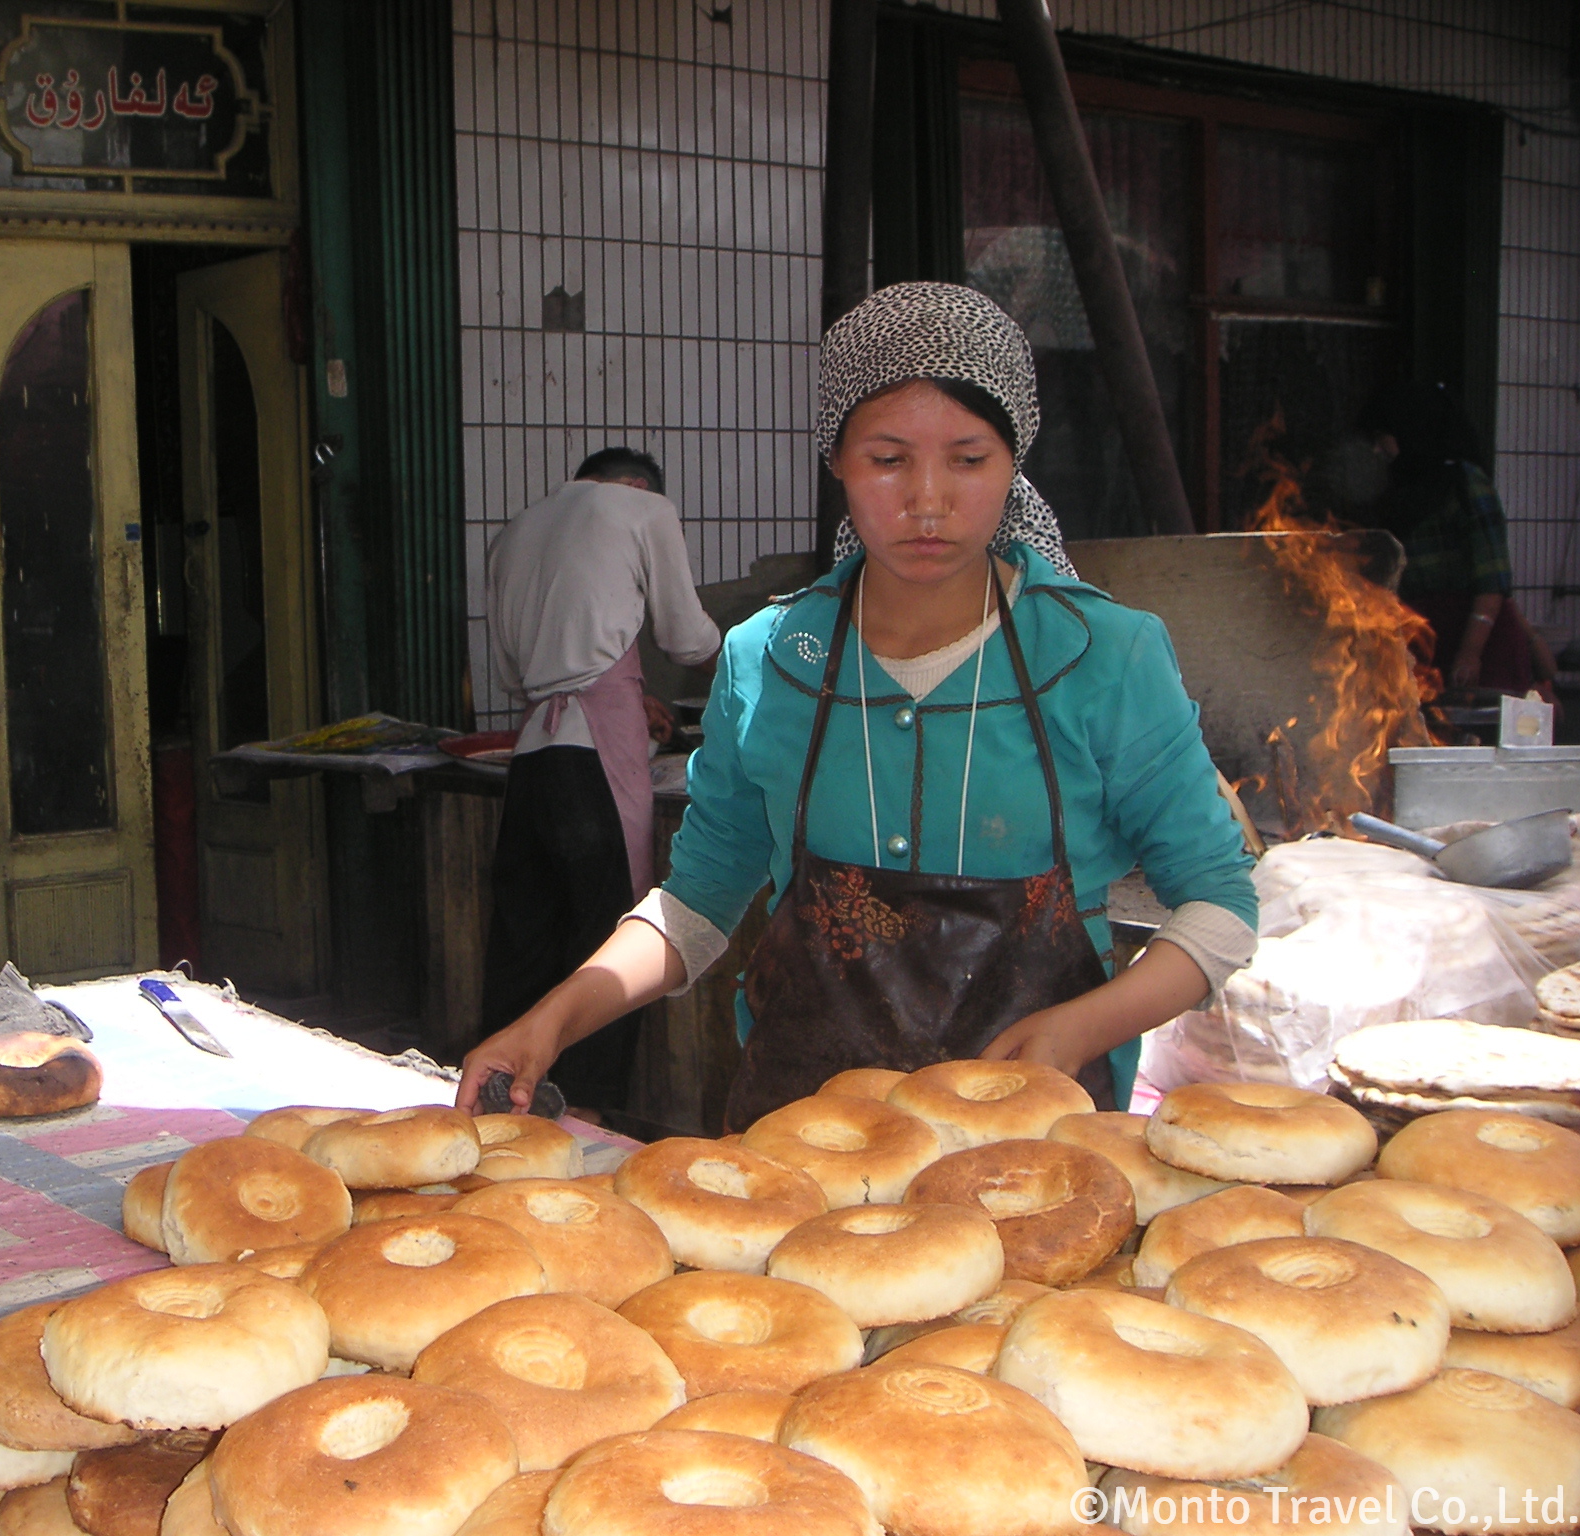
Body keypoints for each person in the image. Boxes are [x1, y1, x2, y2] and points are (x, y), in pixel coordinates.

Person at [460, 283, 1258, 1128]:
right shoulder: (766, 661)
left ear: (1014, 459)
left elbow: (1221, 903)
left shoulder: (1104, 656)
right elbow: (696, 905)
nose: (927, 499)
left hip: (1041, 1159)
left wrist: (1077, 1030)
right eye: (887, 459)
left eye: (968, 458)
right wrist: (553, 1017)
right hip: (806, 1157)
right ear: (835, 459)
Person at [479, 447, 722, 1113]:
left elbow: (511, 675)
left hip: (534, 760)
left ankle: (497, 1108)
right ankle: (588, 1118)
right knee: (609, 949)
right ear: (642, 486)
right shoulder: (644, 509)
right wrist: (749, 674)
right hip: (594, 763)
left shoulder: (515, 531)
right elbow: (686, 636)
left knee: (523, 946)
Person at [1355, 381, 1551, 698]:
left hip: (1479, 641)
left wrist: (1470, 653)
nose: (1378, 449)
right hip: (1421, 640)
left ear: (1410, 431)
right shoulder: (1394, 491)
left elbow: (1492, 582)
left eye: (1383, 438)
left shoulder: (1466, 485)